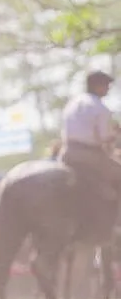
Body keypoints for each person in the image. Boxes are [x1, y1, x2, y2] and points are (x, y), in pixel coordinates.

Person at [60, 70, 121, 204]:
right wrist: (116, 134)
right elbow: (103, 137)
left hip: (67, 152)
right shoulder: (99, 107)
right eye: (106, 86)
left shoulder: (73, 102)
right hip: (88, 155)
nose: (108, 89)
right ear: (97, 86)